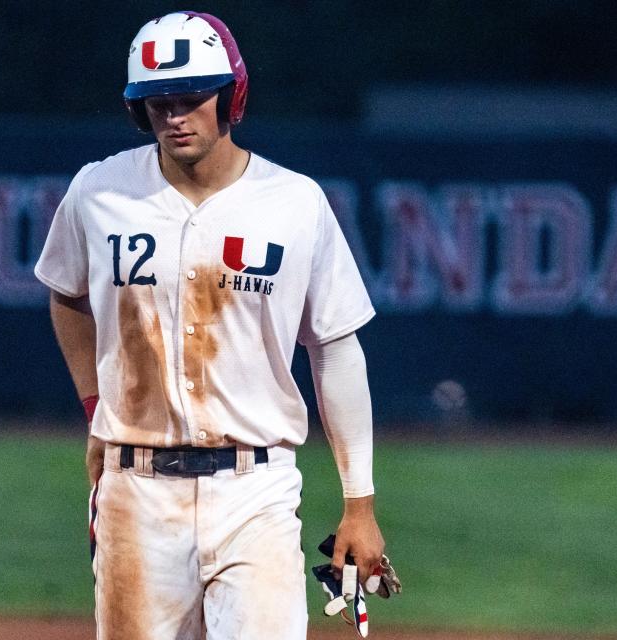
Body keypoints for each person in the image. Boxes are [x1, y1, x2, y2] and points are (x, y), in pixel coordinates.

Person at [35, 11, 386, 639]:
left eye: (192, 97)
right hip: (135, 491)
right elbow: (66, 294)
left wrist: (359, 503)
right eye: (157, 101)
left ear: (231, 96)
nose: (174, 115)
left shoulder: (294, 202)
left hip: (256, 489)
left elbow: (336, 347)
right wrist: (95, 406)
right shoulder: (99, 190)